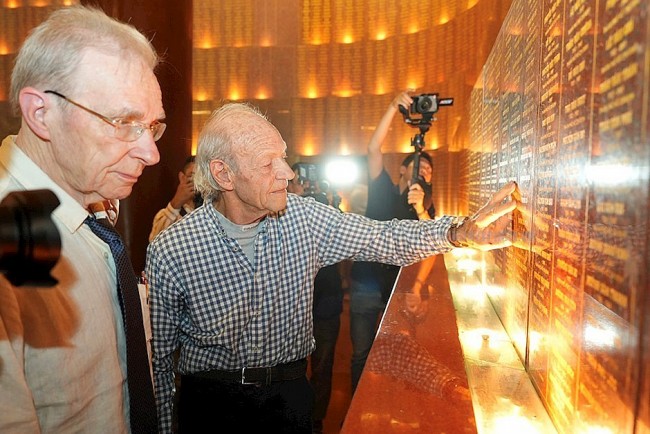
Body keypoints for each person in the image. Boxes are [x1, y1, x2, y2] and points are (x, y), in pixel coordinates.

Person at [145, 102, 516, 434]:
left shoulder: (305, 219)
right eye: (268, 163)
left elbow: (384, 238)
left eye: (284, 158)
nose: (288, 174)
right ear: (224, 175)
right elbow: (159, 364)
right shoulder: (171, 250)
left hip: (289, 397)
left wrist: (458, 232)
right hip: (211, 406)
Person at [0, 5, 165, 433]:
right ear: (41, 114)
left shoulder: (92, 197)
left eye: (152, 126)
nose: (151, 153)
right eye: (124, 122)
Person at [348, 91, 436, 394]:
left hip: (398, 290)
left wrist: (421, 209)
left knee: (396, 355)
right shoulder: (382, 188)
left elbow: (433, 247)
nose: (424, 172)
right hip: (365, 283)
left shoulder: (426, 206)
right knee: (361, 353)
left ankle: (383, 405)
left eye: (428, 171)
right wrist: (391, 108)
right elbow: (373, 149)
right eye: (419, 167)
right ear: (403, 169)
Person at [288, 165, 344, 434]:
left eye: (310, 182)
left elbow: (347, 240)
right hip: (291, 308)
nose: (305, 187)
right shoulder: (280, 214)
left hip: (325, 305)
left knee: (322, 368)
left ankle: (317, 422)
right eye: (299, 181)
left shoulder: (328, 211)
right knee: (290, 369)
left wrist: (332, 205)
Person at [149, 155, 202, 242]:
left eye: (201, 177)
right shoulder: (166, 215)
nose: (198, 182)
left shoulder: (213, 210)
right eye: (192, 176)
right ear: (182, 177)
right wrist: (176, 203)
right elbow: (155, 243)